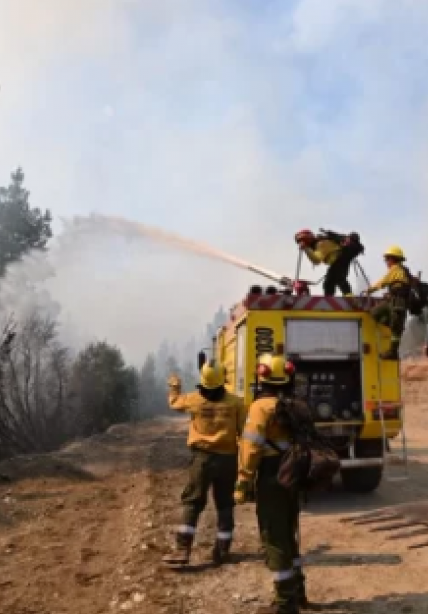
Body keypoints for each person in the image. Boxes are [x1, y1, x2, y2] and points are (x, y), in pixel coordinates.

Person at [236, 354, 311, 613]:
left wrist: (243, 481)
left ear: (262, 378)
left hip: (271, 475)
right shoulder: (296, 405)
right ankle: (298, 592)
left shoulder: (261, 407)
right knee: (289, 533)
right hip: (294, 474)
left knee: (274, 536)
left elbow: (251, 447)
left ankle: (284, 603)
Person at [163, 361, 247, 567]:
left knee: (193, 502)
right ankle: (223, 550)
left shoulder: (194, 399)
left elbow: (174, 403)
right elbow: (244, 433)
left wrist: (174, 386)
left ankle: (183, 549)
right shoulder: (236, 403)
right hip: (228, 459)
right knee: (225, 503)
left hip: (202, 459)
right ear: (222, 379)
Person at [365, 245, 411, 360]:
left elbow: (383, 281)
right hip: (394, 301)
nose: (386, 262)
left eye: (387, 259)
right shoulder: (403, 271)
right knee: (377, 314)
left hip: (397, 303)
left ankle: (393, 352)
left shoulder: (395, 269)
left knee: (393, 327)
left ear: (393, 259)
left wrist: (369, 290)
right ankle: (394, 327)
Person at [295, 228, 355, 296]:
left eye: (303, 241)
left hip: (340, 259)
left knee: (339, 278)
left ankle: (349, 297)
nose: (301, 243)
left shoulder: (321, 244)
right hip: (338, 261)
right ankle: (329, 298)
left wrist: (306, 248)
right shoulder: (318, 244)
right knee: (329, 283)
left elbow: (317, 260)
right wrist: (307, 249)